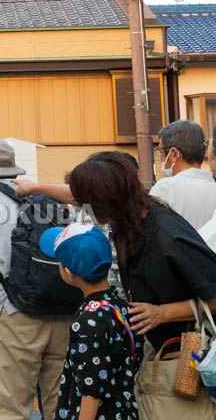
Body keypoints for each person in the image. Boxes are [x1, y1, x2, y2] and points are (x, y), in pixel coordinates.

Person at [68, 151, 216, 419]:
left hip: (186, 361)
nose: (84, 211)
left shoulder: (165, 236)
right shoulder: (130, 222)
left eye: (86, 203)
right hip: (160, 357)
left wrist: (163, 313)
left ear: (105, 201)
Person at [0, 138, 72, 420]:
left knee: (12, 407)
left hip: (13, 309)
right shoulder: (43, 195)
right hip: (62, 307)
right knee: (61, 404)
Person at [39, 222, 142, 420]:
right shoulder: (121, 306)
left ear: (69, 273)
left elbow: (91, 390)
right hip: (124, 410)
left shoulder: (88, 321)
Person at [149, 119, 216, 229]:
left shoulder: (165, 189)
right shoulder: (213, 185)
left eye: (160, 152)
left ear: (174, 154)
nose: (160, 158)